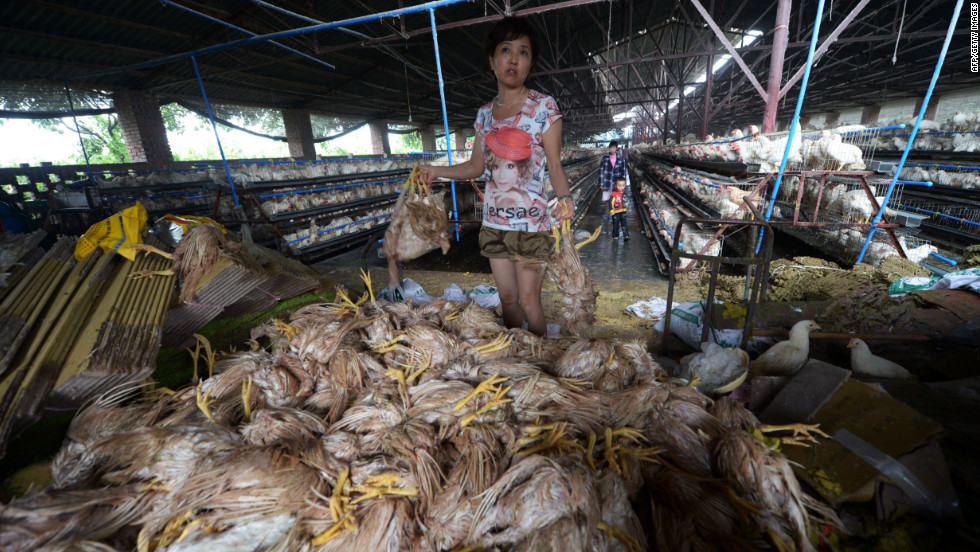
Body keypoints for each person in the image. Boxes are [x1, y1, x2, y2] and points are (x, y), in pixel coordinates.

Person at [419, 17, 574, 337]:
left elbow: (555, 165)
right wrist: (436, 171)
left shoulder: (544, 107)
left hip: (531, 223)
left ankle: (540, 359)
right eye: (506, 49)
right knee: (508, 299)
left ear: (531, 62)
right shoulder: (485, 116)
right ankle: (517, 354)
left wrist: (566, 198)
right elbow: (474, 167)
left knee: (530, 300)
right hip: (495, 222)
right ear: (492, 60)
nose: (514, 58)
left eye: (524, 52)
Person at [598, 140, 627, 219]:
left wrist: (622, 184)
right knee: (607, 199)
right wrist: (601, 183)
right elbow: (601, 171)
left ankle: (614, 214)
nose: (612, 149)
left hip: (616, 182)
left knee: (615, 199)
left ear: (616, 148)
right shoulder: (605, 158)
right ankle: (607, 213)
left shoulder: (621, 158)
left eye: (614, 148)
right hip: (607, 182)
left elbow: (623, 171)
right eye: (610, 148)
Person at [609, 176, 630, 241]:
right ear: (615, 185)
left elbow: (627, 200)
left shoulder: (625, 193)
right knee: (616, 224)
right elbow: (611, 203)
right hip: (616, 212)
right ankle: (615, 235)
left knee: (624, 223)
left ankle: (626, 235)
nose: (621, 187)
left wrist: (627, 206)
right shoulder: (613, 194)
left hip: (623, 211)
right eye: (619, 186)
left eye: (623, 185)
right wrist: (612, 210)